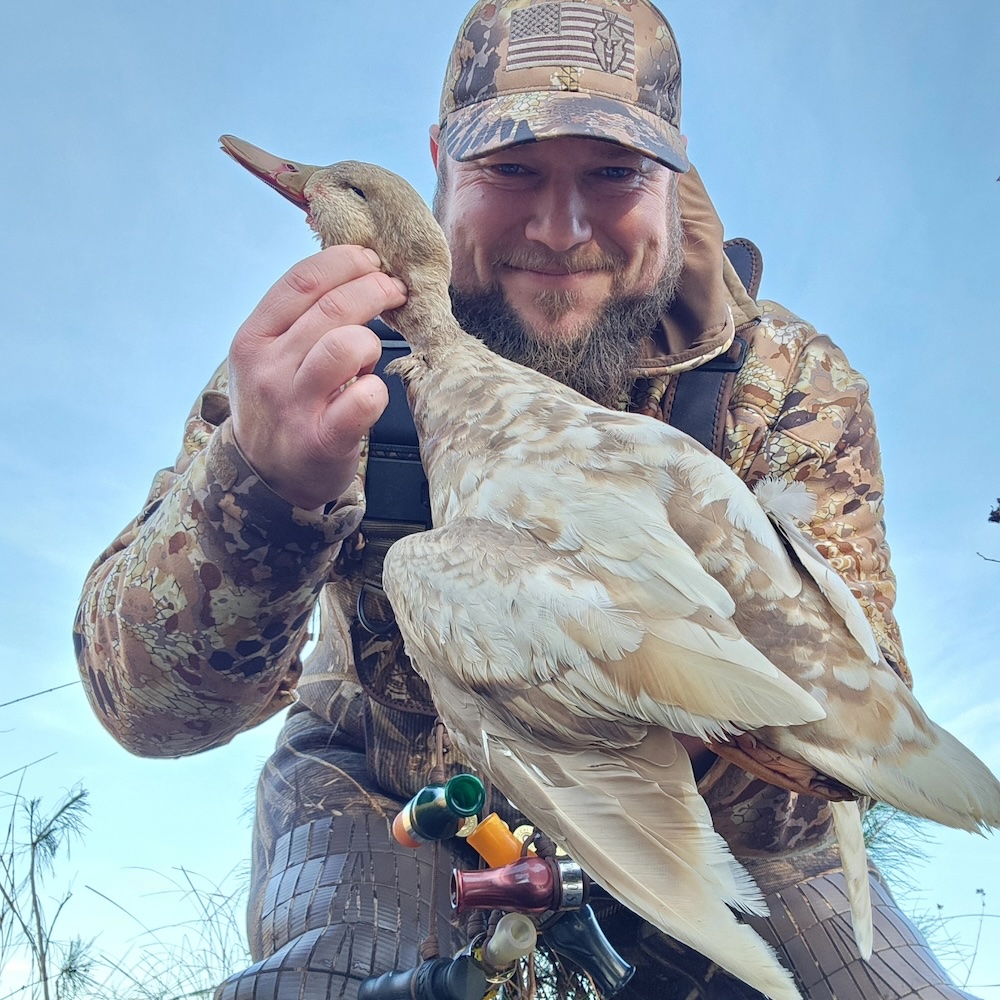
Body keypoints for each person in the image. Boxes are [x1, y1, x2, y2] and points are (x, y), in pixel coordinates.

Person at [73, 1, 975, 998]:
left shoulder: (783, 383)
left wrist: (658, 678)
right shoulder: (313, 369)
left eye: (611, 172)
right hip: (394, 796)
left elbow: (858, 699)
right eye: (512, 171)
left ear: (671, 177)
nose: (560, 228)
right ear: (441, 165)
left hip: (734, 817)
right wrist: (267, 481)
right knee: (339, 980)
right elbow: (149, 713)